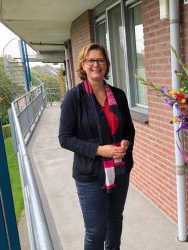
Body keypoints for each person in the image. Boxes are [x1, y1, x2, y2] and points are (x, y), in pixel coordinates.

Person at [58, 43, 135, 250]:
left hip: (119, 170)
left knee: (115, 221)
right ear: (82, 65)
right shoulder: (74, 98)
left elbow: (128, 129)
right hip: (90, 175)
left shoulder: (118, 95)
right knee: (96, 231)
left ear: (106, 65)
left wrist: (126, 142)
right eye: (90, 60)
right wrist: (100, 150)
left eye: (100, 60)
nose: (95, 64)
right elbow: (65, 138)